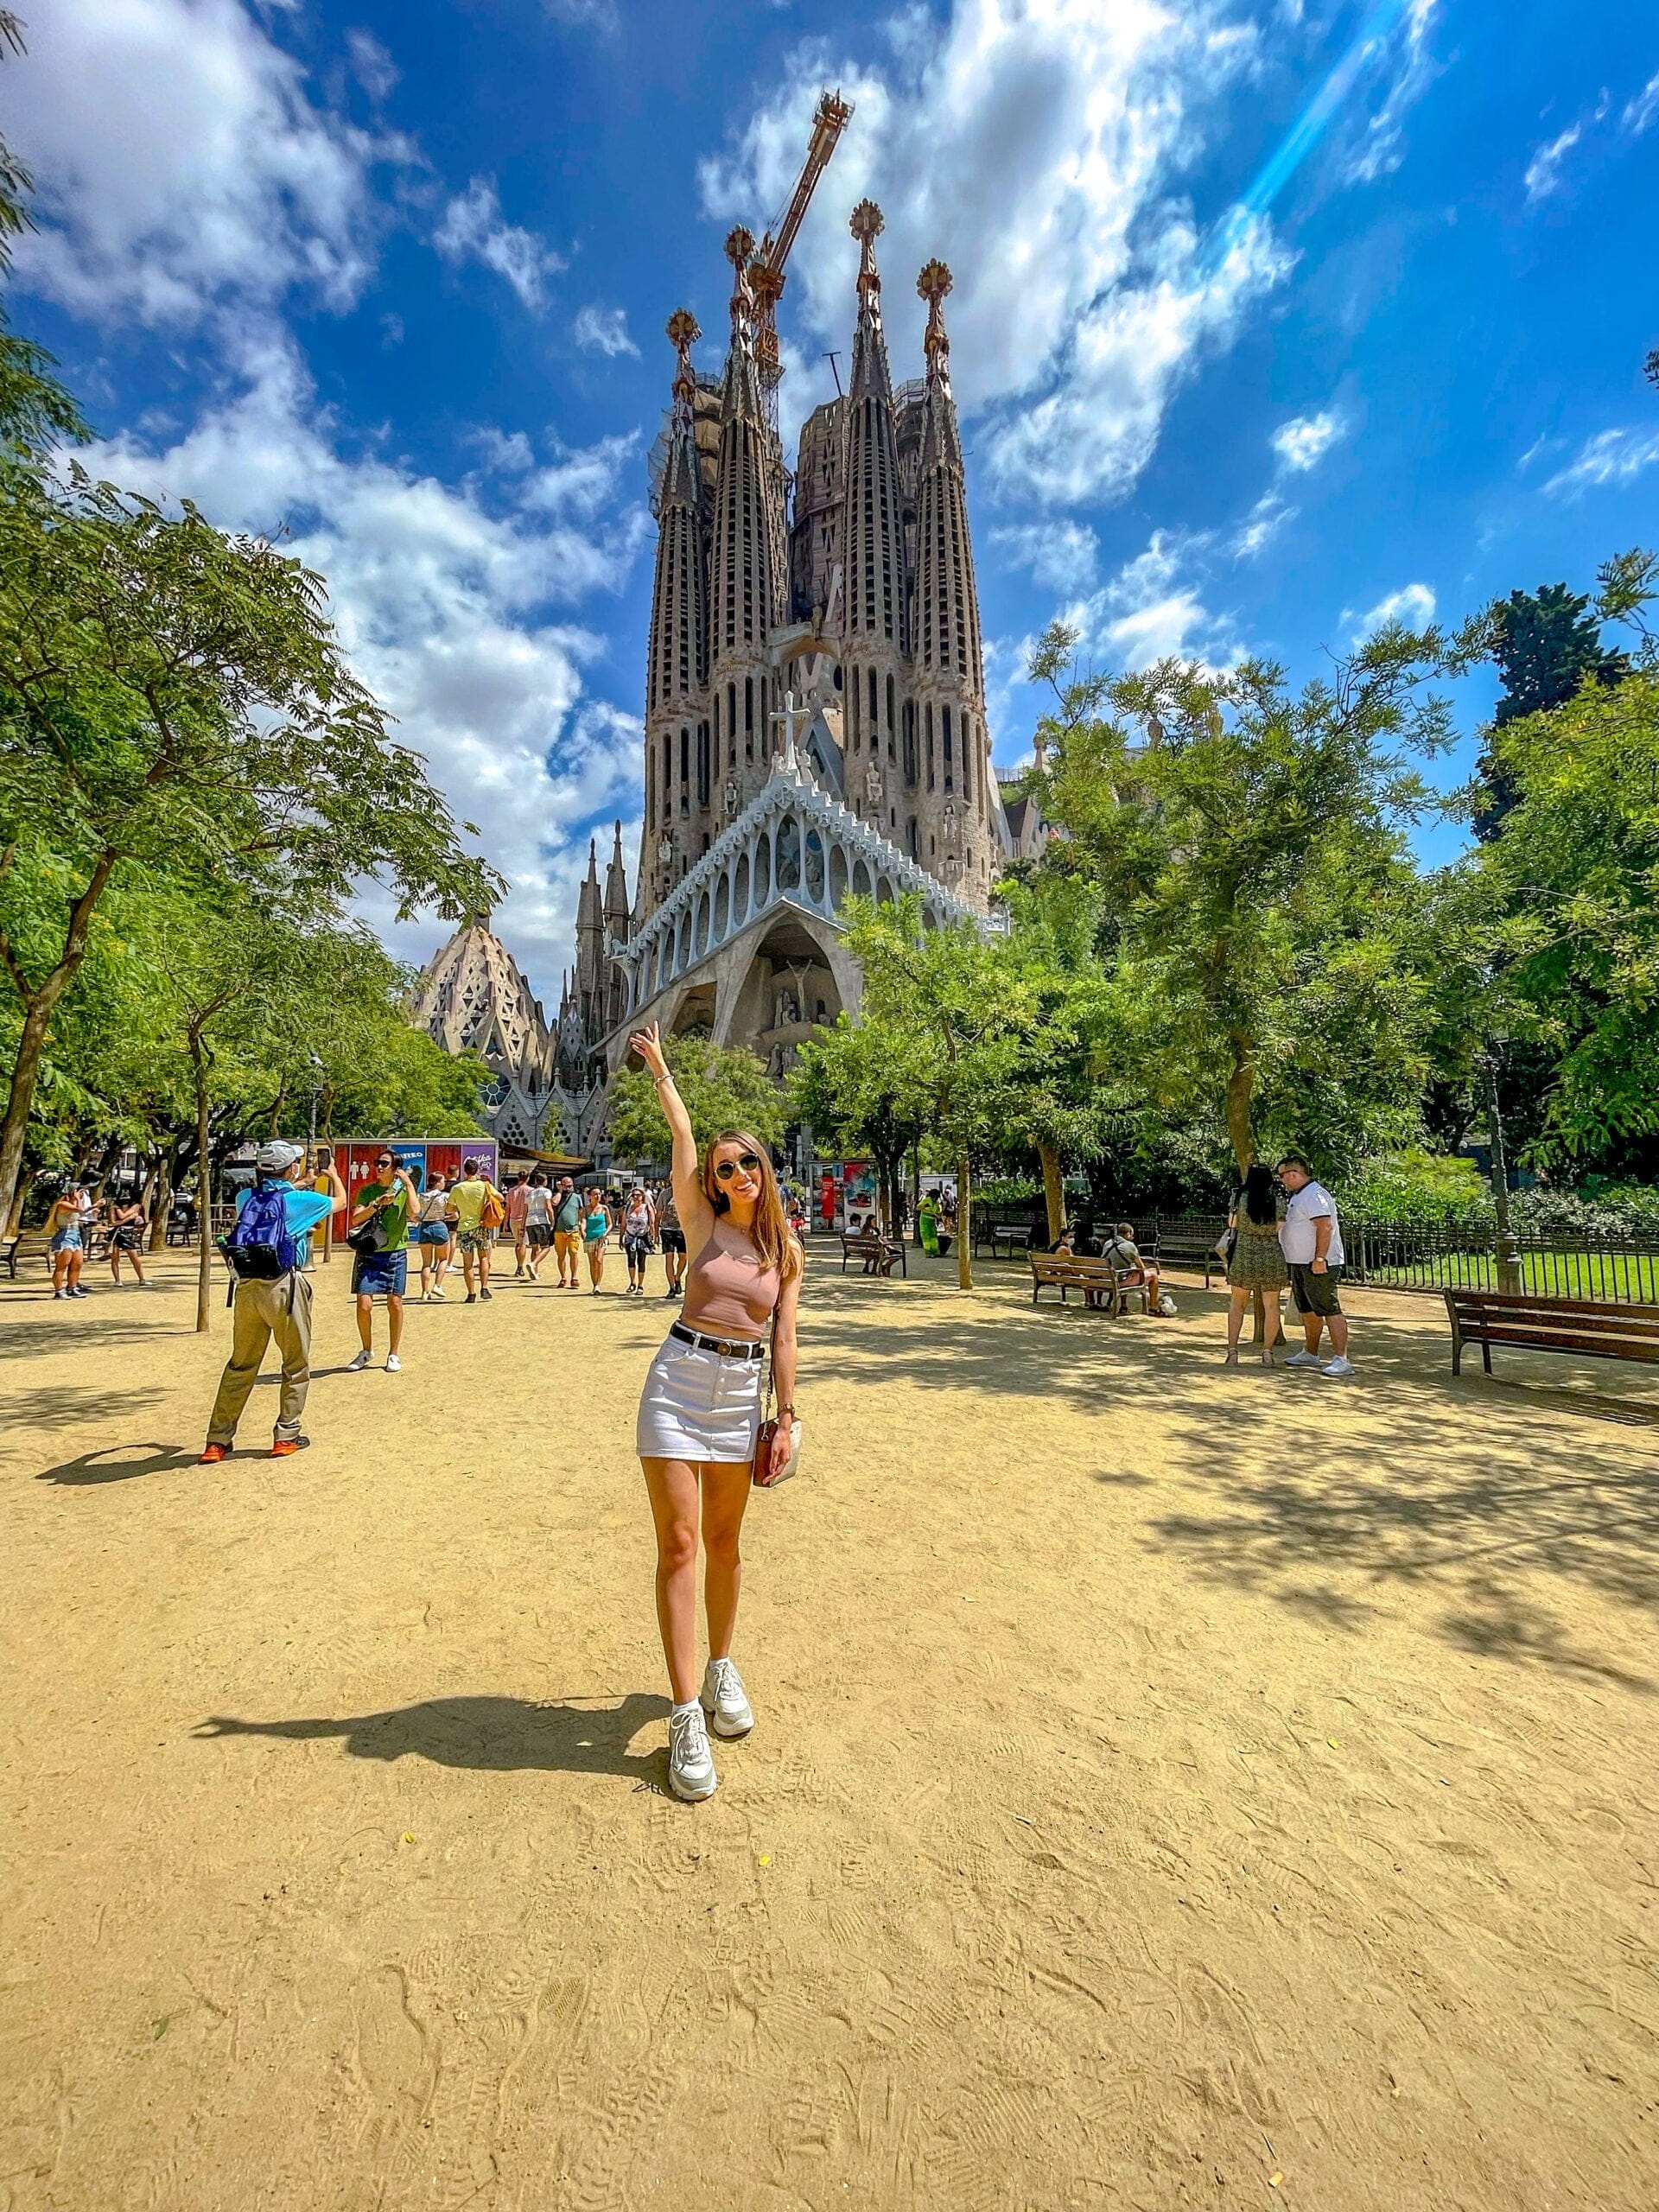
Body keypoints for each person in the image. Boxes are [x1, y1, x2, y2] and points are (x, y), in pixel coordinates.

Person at [628, 1019, 802, 1804]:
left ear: (764, 1170)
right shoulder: (700, 1224)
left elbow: (785, 1338)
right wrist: (664, 1072)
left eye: (748, 1164)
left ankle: (722, 1666)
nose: (735, 1174)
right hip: (678, 1381)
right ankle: (685, 1711)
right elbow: (685, 1134)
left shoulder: (784, 1249)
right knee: (680, 1545)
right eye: (725, 1167)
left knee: (725, 1547)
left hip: (740, 1394)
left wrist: (788, 1415)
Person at [200, 1141, 346, 1461]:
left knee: (240, 1365)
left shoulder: (243, 1198)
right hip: (283, 1286)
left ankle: (217, 1441)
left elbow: (271, 1198)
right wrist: (332, 1175)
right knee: (295, 1363)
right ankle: (286, 1434)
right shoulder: (302, 1200)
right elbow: (340, 1202)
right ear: (290, 1167)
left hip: (246, 1289)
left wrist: (298, 1183)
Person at [1277, 1154, 1353, 1377]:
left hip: (1317, 1263)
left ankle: (1342, 1358)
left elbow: (1324, 1226)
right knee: (1308, 1310)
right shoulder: (1298, 1196)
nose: (1282, 1180)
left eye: (1283, 1176)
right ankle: (1311, 1352)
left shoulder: (1314, 1195)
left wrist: (1320, 1258)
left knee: (1328, 1308)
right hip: (1300, 1263)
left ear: (1293, 1174)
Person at [346, 1151, 418, 1373]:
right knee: (364, 1304)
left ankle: (393, 1353)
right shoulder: (368, 1191)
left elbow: (415, 1213)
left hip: (396, 1253)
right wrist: (377, 1203)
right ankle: (366, 1350)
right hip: (369, 1251)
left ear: (395, 1168)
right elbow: (356, 1218)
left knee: (395, 1303)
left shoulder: (403, 1191)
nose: (378, 1166)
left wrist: (408, 1184)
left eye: (383, 1164)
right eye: (377, 1163)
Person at [1224, 1164, 1287, 1366]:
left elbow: (1232, 1224)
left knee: (1237, 1305)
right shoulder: (1278, 1199)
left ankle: (1233, 1351)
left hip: (1244, 1253)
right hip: (1270, 1255)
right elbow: (1280, 1227)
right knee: (1272, 1306)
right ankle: (1267, 1352)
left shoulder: (1240, 1198)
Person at [449, 1156, 503, 1304]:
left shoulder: (457, 1188)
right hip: (481, 1225)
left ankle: (471, 1293)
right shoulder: (484, 1186)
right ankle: (484, 1287)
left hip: (464, 1227)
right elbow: (501, 1198)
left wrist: (459, 1207)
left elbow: (449, 1208)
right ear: (477, 1170)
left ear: (465, 1171)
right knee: (484, 1258)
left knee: (468, 1263)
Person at [1103, 1222, 1168, 1314]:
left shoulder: (1107, 1243)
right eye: (1132, 1235)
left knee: (1125, 1272)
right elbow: (1141, 1268)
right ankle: (1153, 1306)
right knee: (1153, 1275)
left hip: (1106, 1279)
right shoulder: (1130, 1245)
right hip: (1119, 1281)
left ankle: (1124, 1306)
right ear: (1128, 1234)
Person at [413, 1172, 454, 1300]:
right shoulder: (444, 1196)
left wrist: (420, 1220)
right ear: (437, 1183)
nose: (444, 1184)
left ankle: (424, 1292)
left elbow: (413, 1214)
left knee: (426, 1263)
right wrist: (446, 1217)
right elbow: (454, 1214)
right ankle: (437, 1285)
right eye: (442, 1181)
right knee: (443, 1259)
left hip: (425, 1227)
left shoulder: (421, 1196)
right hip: (439, 1225)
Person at [47, 1184, 88, 1300]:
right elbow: (80, 1210)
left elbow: (81, 1212)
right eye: (80, 1192)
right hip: (64, 1235)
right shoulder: (63, 1204)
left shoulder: (74, 1203)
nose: (82, 1195)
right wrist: (78, 1198)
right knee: (62, 1265)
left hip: (75, 1234)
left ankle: (72, 1287)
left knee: (77, 1263)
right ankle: (59, 1290)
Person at [105, 1190, 151, 1287]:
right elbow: (113, 1222)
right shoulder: (115, 1207)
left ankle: (142, 1279)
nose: (125, 1197)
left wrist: (124, 1216)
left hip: (127, 1232)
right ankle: (117, 1280)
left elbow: (123, 1216)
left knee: (134, 1257)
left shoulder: (136, 1205)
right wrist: (128, 1217)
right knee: (115, 1257)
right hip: (117, 1232)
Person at [621, 1183, 657, 1296]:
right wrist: (621, 1237)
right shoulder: (627, 1208)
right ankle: (632, 1283)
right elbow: (623, 1224)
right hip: (630, 1237)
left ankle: (640, 1285)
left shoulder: (647, 1208)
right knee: (631, 1260)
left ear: (643, 1196)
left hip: (643, 1237)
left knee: (641, 1261)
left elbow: (652, 1223)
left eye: (638, 1195)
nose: (636, 1197)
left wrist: (654, 1237)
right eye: (633, 1195)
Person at [550, 1174, 584, 1288]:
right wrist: (560, 1191)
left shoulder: (577, 1197)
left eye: (570, 1186)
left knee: (573, 1253)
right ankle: (563, 1277)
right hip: (559, 1230)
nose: (568, 1188)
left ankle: (574, 1277)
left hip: (573, 1230)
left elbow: (581, 1213)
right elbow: (553, 1203)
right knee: (561, 1255)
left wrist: (581, 1226)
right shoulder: (557, 1196)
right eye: (566, 1186)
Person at [657, 1179, 687, 1299]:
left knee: (683, 1257)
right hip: (667, 1229)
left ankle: (677, 1277)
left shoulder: (686, 1193)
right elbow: (658, 1213)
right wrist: (655, 1231)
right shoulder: (665, 1194)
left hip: (682, 1230)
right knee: (669, 1258)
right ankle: (672, 1287)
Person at [523, 1170, 553, 1280]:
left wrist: (522, 1226)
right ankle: (533, 1264)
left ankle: (535, 1271)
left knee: (534, 1247)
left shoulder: (530, 1193)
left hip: (529, 1222)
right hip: (541, 1221)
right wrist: (552, 1220)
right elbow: (549, 1207)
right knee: (546, 1247)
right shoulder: (546, 1192)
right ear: (544, 1181)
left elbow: (525, 1211)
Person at [582, 1185, 613, 1293]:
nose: (598, 1196)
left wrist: (605, 1234)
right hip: (590, 1237)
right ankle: (594, 1285)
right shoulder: (585, 1209)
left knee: (599, 1260)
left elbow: (610, 1224)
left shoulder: (604, 1208)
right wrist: (582, 1231)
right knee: (592, 1262)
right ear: (590, 1195)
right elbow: (583, 1221)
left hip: (601, 1238)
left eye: (599, 1194)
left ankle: (598, 1285)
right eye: (595, 1194)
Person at [505, 1173, 532, 1277]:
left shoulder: (511, 1191)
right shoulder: (530, 1191)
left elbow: (507, 1207)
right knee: (523, 1244)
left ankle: (518, 1265)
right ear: (528, 1178)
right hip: (524, 1220)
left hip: (513, 1219)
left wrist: (505, 1223)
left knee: (518, 1243)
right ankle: (520, 1267)